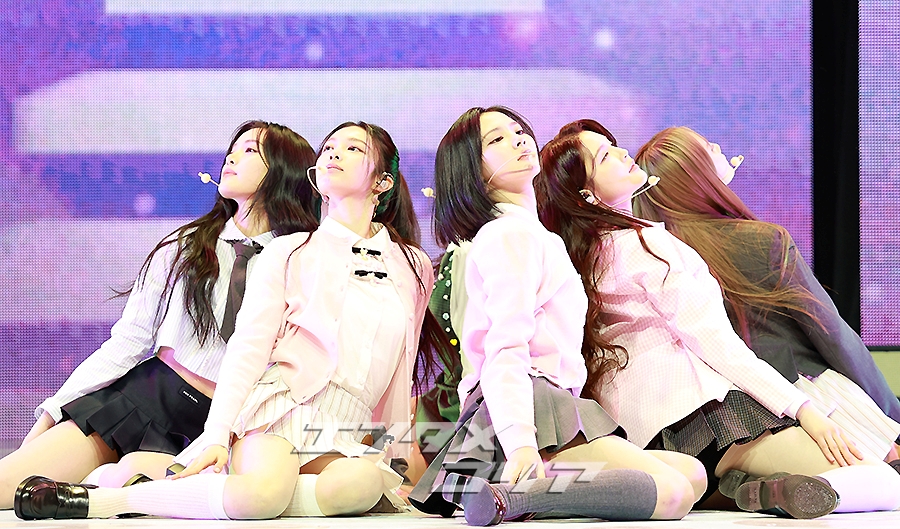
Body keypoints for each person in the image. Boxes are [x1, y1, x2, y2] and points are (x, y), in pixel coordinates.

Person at [13, 121, 437, 520]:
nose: (333, 154)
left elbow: (401, 366)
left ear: (383, 182)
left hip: (337, 422)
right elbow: (240, 347)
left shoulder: (413, 265)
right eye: (328, 147)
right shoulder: (285, 252)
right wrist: (53, 410)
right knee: (263, 493)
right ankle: (113, 496)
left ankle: (143, 480)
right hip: (248, 405)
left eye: (353, 148)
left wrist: (398, 449)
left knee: (360, 485)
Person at [536, 127, 900, 517]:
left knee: (715, 478)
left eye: (614, 145)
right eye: (605, 156)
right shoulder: (649, 245)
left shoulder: (586, 259)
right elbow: (717, 344)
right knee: (884, 482)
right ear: (587, 195)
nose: (623, 152)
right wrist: (805, 410)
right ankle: (778, 492)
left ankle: (760, 491)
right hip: (708, 415)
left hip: (645, 435)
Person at [409, 106, 705, 527]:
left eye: (517, 130)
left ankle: (518, 493)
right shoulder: (509, 234)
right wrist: (520, 443)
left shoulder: (531, 233)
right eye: (496, 140)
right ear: (472, 171)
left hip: (548, 404)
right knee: (672, 492)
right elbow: (504, 348)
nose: (517, 139)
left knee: (691, 474)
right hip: (527, 406)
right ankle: (512, 496)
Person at [0, 120, 318, 508]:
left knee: (130, 488)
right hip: (147, 398)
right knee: (8, 485)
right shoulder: (184, 247)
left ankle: (104, 483)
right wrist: (54, 409)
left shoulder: (305, 261)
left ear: (285, 170)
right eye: (232, 149)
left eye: (250, 150)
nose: (232, 158)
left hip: (233, 424)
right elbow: (127, 342)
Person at [631, 127, 900, 461]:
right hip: (808, 395)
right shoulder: (762, 241)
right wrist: (890, 409)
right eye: (708, 147)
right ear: (697, 175)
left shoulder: (653, 256)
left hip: (722, 421)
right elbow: (832, 335)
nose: (718, 146)